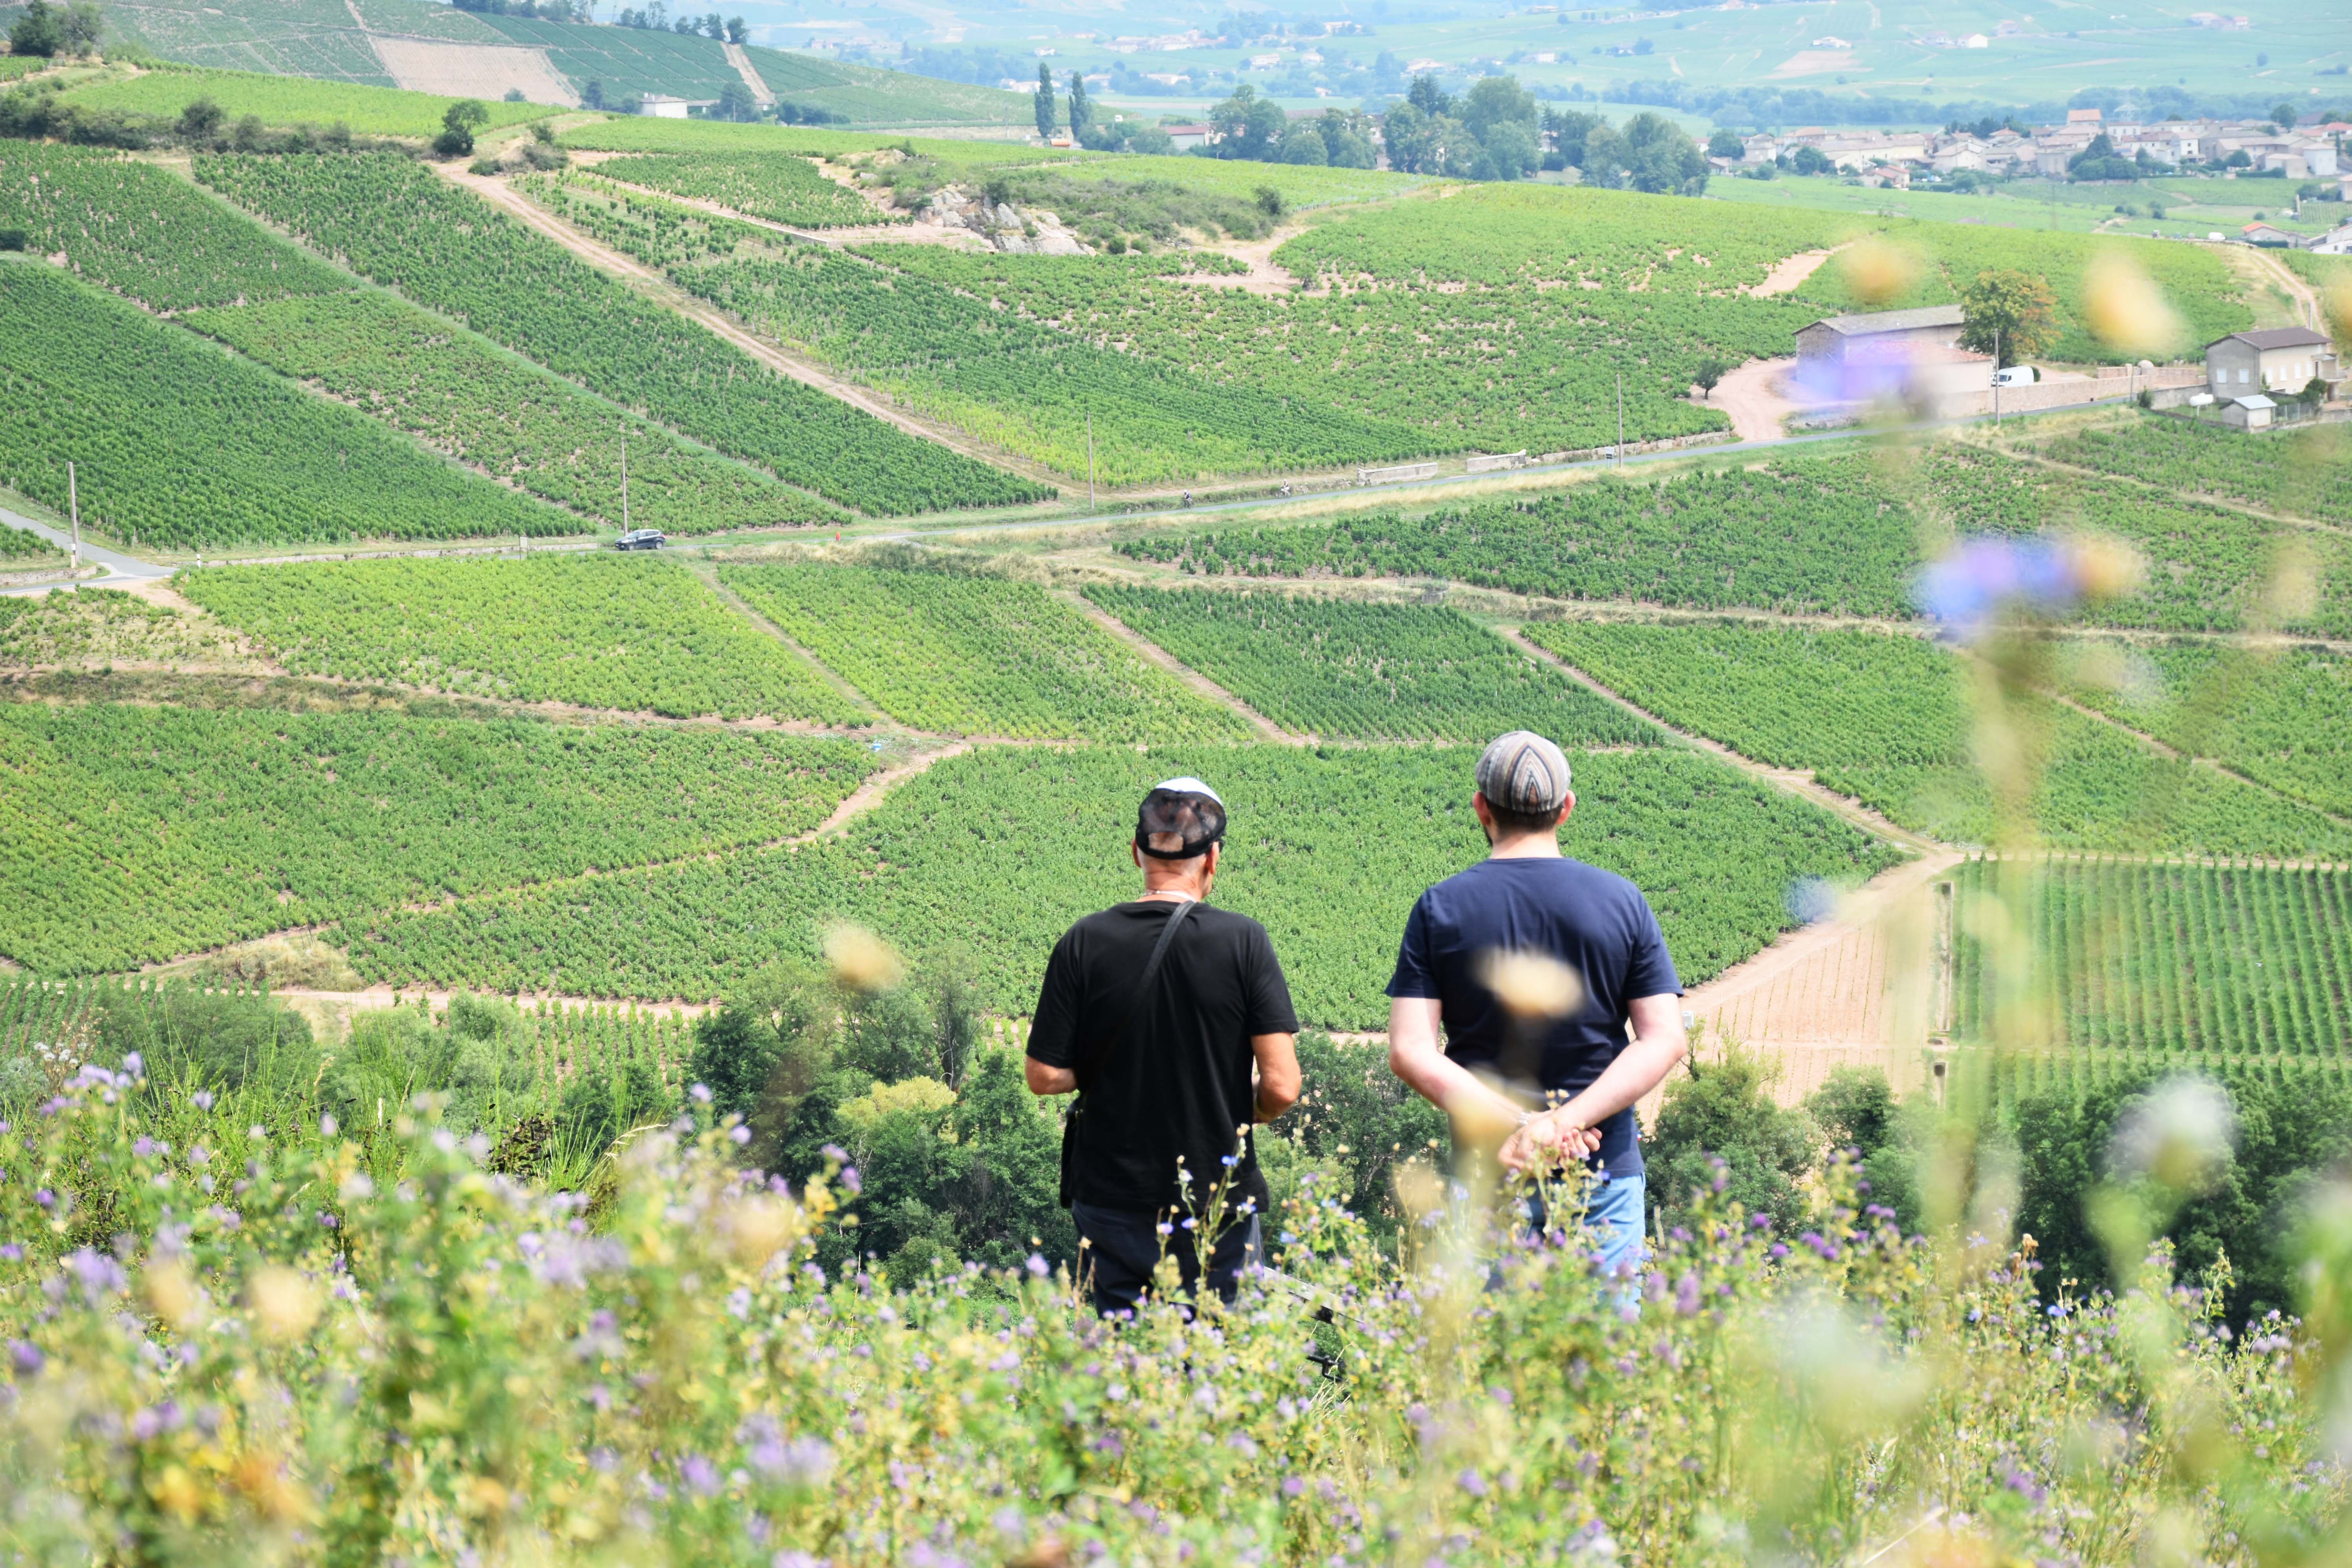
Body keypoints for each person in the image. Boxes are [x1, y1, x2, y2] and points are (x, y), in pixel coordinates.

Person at [1385, 731, 1687, 1276]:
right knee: (1601, 1333)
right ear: (1566, 808)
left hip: (1488, 1170)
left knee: (1488, 1330)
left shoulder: (1440, 907)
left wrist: (1520, 1125)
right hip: (1602, 1167)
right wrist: (1560, 1124)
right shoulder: (1623, 901)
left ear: (1481, 808)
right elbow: (1664, 1038)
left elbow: (1410, 1051)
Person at [1025, 777, 1302, 1316]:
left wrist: (1112, 1069)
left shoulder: (1084, 940)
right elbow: (1283, 1086)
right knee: (1218, 1354)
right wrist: (1236, 1103)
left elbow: (1044, 1076)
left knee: (1124, 1354)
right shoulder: (1245, 941)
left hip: (1110, 1196)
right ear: (1213, 859)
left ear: (1135, 851)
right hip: (1215, 1199)